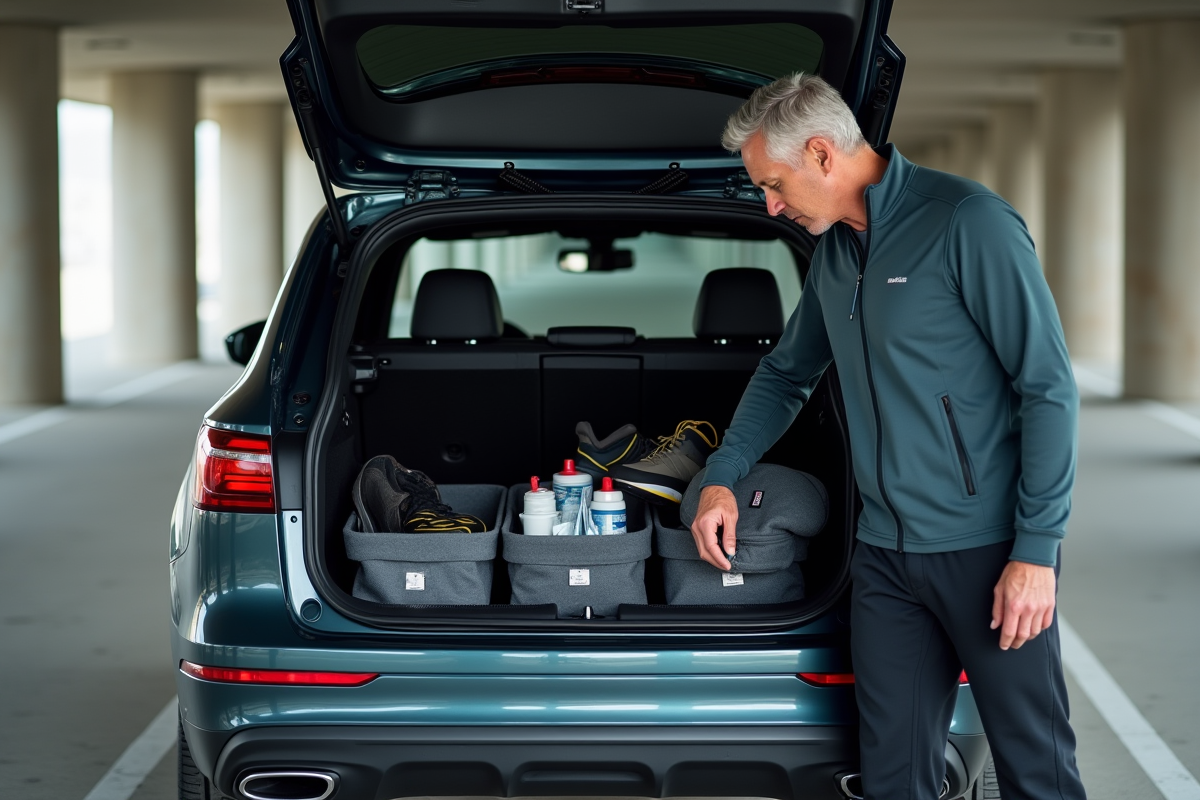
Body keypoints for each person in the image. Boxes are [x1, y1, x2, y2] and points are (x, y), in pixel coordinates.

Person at [690, 73, 1087, 800]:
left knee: (1036, 771)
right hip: (883, 561)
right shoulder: (837, 252)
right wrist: (720, 476)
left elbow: (1048, 388)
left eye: (773, 184)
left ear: (820, 153)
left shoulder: (968, 223)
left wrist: (1036, 553)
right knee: (893, 776)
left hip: (984, 553)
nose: (770, 205)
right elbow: (785, 375)